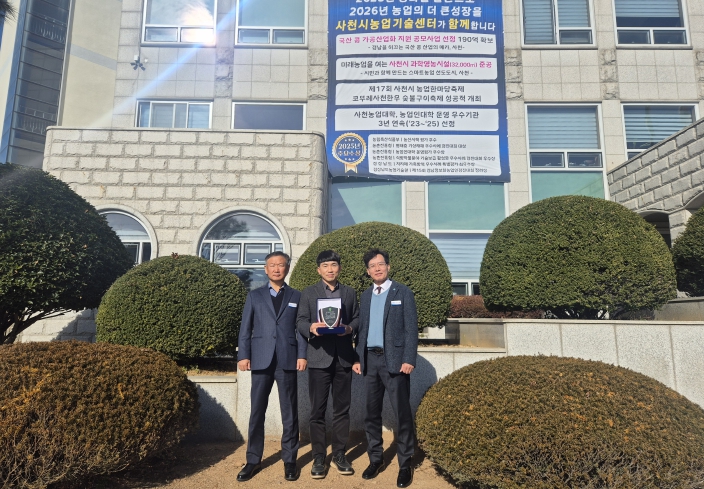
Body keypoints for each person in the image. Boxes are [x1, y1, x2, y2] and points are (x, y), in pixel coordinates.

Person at [236, 251, 307, 482]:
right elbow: (245, 328)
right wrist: (243, 355)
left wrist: (302, 354)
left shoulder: (296, 295)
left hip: (287, 359)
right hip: (261, 359)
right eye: (272, 265)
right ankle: (253, 460)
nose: (277, 269)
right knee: (257, 412)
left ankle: (290, 460)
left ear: (287, 268)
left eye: (281, 265)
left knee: (290, 413)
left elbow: (300, 329)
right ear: (266, 269)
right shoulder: (254, 295)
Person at [353, 248, 418, 488]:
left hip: (396, 362)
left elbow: (411, 328)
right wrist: (358, 358)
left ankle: (405, 463)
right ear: (368, 271)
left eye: (380, 264)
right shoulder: (365, 296)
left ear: (388, 266)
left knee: (402, 413)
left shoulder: (403, 292)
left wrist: (409, 358)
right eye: (372, 266)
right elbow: (361, 331)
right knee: (371, 413)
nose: (377, 268)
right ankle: (376, 459)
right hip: (370, 361)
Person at [296, 250, 359, 479]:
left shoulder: (350, 292)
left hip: (343, 358)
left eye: (333, 265)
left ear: (339, 268)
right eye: (325, 266)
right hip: (318, 358)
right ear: (318, 270)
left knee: (342, 410)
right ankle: (319, 457)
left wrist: (350, 328)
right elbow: (300, 321)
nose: (330, 269)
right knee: (317, 411)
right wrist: (311, 327)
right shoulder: (309, 293)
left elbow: (357, 318)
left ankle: (339, 454)